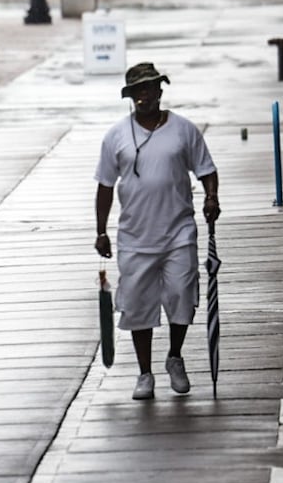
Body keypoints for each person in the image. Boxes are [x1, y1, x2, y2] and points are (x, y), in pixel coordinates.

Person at [94, 62, 220, 401]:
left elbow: (206, 169)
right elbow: (105, 186)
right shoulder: (116, 136)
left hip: (179, 232)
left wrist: (211, 197)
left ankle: (175, 356)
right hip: (135, 236)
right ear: (131, 97)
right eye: (138, 91)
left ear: (160, 91)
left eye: (150, 88)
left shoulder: (183, 130)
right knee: (138, 306)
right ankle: (145, 373)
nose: (145, 95)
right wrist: (101, 230)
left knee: (181, 295)